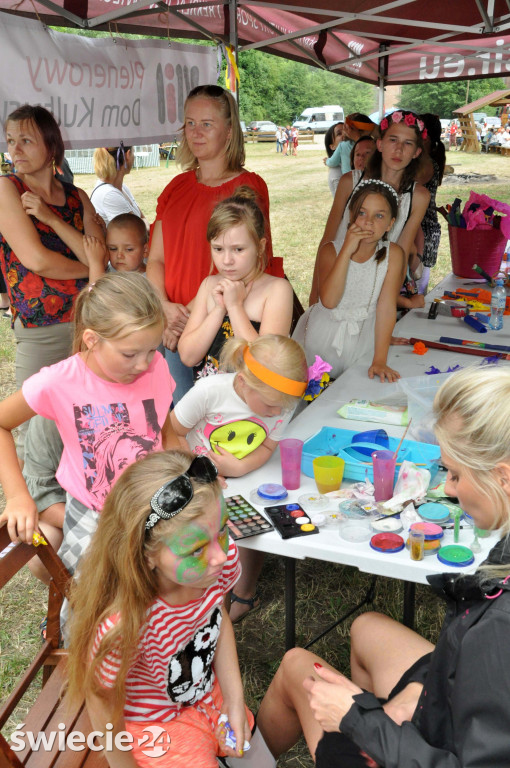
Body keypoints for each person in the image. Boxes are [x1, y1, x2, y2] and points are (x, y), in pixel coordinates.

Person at [257, 365, 510, 768]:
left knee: (296, 668)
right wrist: (420, 690)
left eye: (456, 474)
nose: (447, 489)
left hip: (440, 751)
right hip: (448, 719)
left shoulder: (500, 626)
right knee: (367, 627)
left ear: (503, 478)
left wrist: (357, 720)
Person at [65, 449, 259, 768]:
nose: (220, 556)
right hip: (154, 727)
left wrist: (235, 699)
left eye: (222, 529)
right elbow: (101, 702)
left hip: (207, 697)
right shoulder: (124, 624)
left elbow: (218, 619)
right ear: (147, 555)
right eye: (195, 549)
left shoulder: (213, 565)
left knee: (252, 752)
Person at [0, 273, 180, 582]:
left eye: (152, 350)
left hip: (157, 501)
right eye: (129, 354)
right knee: (113, 604)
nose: (143, 364)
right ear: (92, 339)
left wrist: (194, 475)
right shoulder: (58, 381)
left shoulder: (156, 367)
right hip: (96, 517)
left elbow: (164, 431)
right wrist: (18, 496)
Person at [146, 84, 281, 405]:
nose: (196, 132)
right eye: (189, 123)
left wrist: (186, 316)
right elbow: (156, 260)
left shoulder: (248, 186)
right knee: (179, 417)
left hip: (218, 325)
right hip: (171, 323)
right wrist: (165, 308)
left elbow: (254, 262)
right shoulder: (176, 187)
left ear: (230, 130)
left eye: (207, 124)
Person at [171, 334, 308, 624]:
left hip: (244, 478)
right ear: (244, 382)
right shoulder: (209, 392)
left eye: (282, 408)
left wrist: (241, 467)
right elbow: (172, 432)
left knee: (251, 527)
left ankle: (244, 594)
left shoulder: (283, 401)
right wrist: (199, 473)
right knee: (207, 536)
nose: (276, 413)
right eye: (271, 407)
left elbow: (268, 446)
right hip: (197, 480)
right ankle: (203, 605)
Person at [0, 104, 104, 458]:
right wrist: (89, 267)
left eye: (26, 140)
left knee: (90, 429)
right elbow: (36, 260)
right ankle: (36, 512)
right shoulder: (6, 189)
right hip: (40, 330)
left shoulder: (77, 198)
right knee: (37, 437)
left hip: (87, 327)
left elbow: (100, 255)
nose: (15, 149)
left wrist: (52, 219)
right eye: (11, 140)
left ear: (52, 147)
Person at [310, 110, 430, 306]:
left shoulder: (418, 197)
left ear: (416, 152)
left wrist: (384, 306)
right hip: (334, 283)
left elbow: (400, 258)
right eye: (393, 140)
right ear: (380, 144)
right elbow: (327, 241)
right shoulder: (350, 182)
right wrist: (314, 296)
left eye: (407, 143)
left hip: (373, 295)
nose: (399, 150)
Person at [293, 180, 403, 382]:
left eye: (379, 216)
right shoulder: (330, 251)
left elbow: (386, 307)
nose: (369, 221)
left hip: (364, 338)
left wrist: (379, 359)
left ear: (390, 223)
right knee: (314, 391)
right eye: (362, 213)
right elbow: (329, 301)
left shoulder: (393, 255)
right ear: (351, 216)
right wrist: (346, 250)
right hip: (323, 336)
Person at [178, 187, 293, 379]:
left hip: (252, 406)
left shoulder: (276, 291)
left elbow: (265, 365)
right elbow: (188, 356)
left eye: (238, 249)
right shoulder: (209, 286)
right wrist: (218, 309)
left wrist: (235, 306)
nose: (226, 260)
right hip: (211, 405)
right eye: (218, 249)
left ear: (260, 246)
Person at [414, 114, 446, 294]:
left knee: (417, 292)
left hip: (424, 233)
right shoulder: (424, 160)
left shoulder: (426, 164)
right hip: (423, 231)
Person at [90, 143, 148, 230]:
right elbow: (137, 231)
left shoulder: (122, 187)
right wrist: (144, 224)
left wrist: (143, 224)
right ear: (127, 155)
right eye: (133, 153)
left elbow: (142, 220)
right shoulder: (109, 194)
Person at [323, 122, 345, 196]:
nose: (345, 134)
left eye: (346, 130)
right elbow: (343, 204)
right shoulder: (336, 171)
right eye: (339, 134)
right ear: (332, 146)